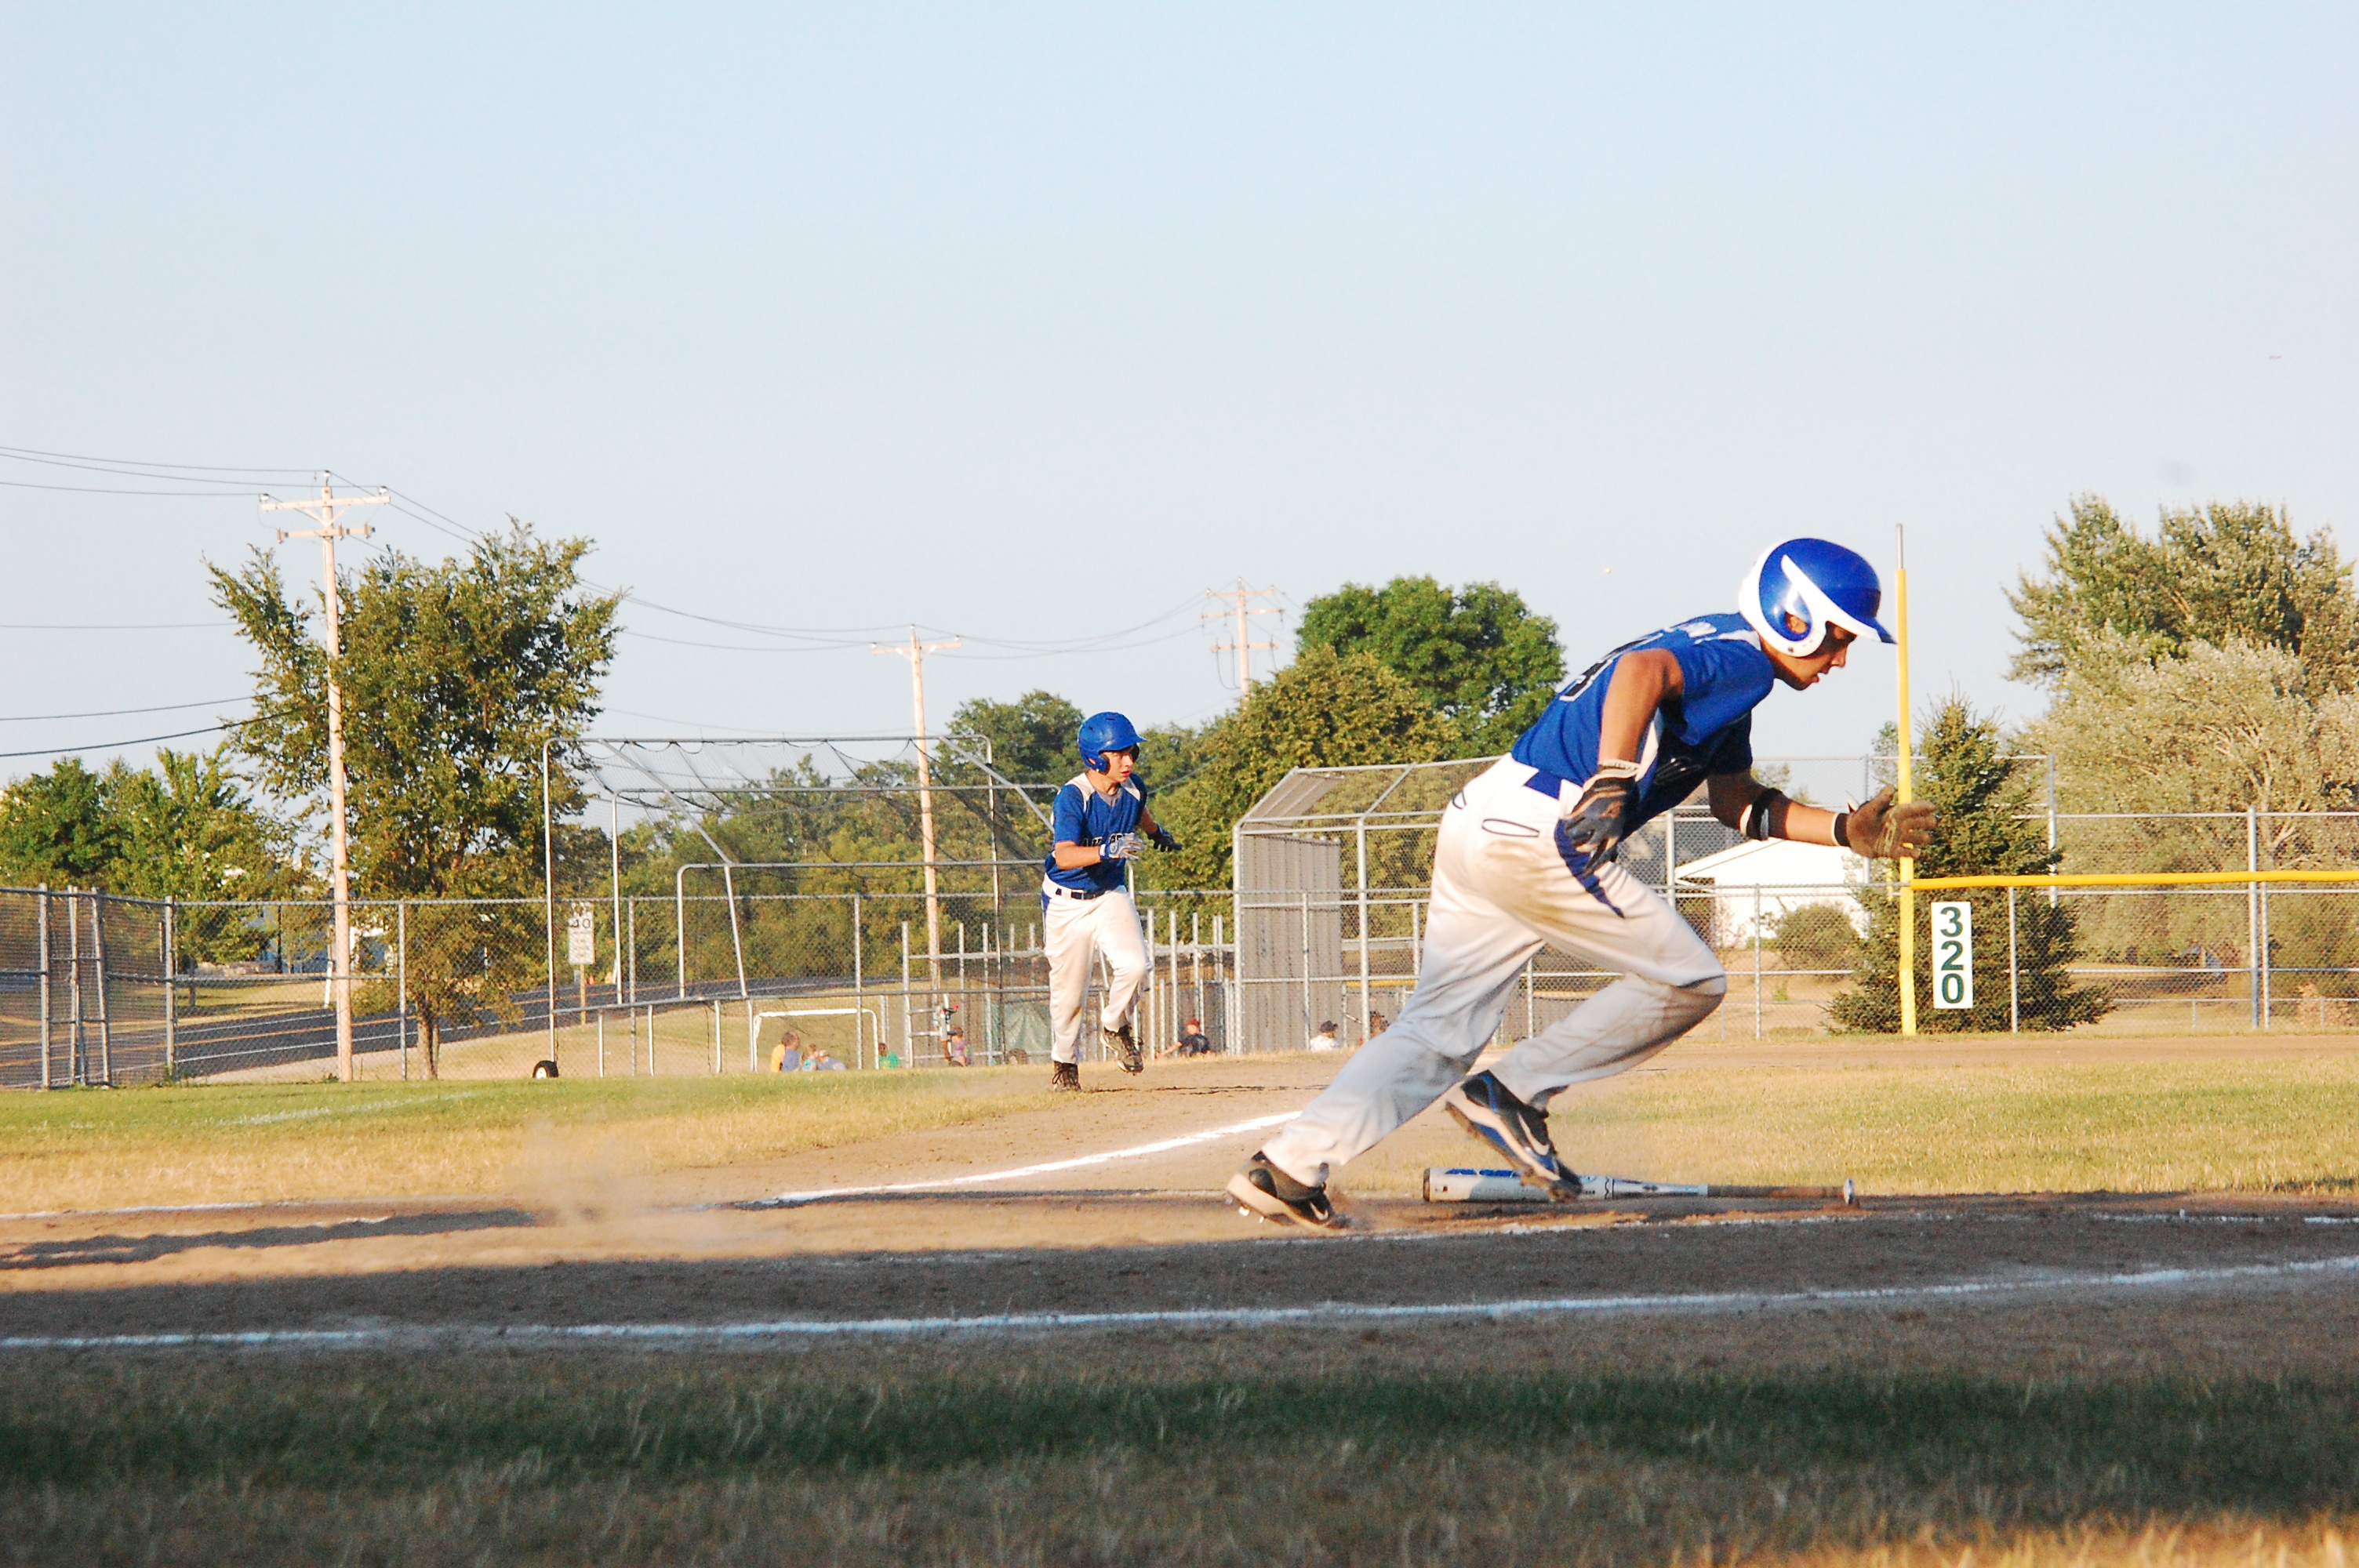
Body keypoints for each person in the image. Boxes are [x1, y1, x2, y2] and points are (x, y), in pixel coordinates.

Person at [1227, 539, 1938, 1229]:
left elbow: (1736, 803)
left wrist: (1843, 831)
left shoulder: (1728, 673)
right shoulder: (1743, 661)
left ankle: (1288, 1168)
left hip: (1486, 817)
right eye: (1838, 637)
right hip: (1548, 827)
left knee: (1439, 1030)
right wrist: (1614, 776)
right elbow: (1639, 672)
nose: (1842, 657)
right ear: (1793, 615)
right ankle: (1512, 1091)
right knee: (1691, 979)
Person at [1041, 711, 1180, 1091]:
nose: (1128, 760)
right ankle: (1065, 1064)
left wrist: (1157, 833)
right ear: (1095, 757)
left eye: (1131, 752)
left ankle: (1115, 1025)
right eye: (1118, 754)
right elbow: (1064, 856)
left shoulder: (1134, 788)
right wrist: (1105, 850)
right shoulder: (1074, 796)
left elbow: (1140, 810)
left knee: (1136, 966)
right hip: (1067, 902)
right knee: (1070, 994)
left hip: (1109, 894)